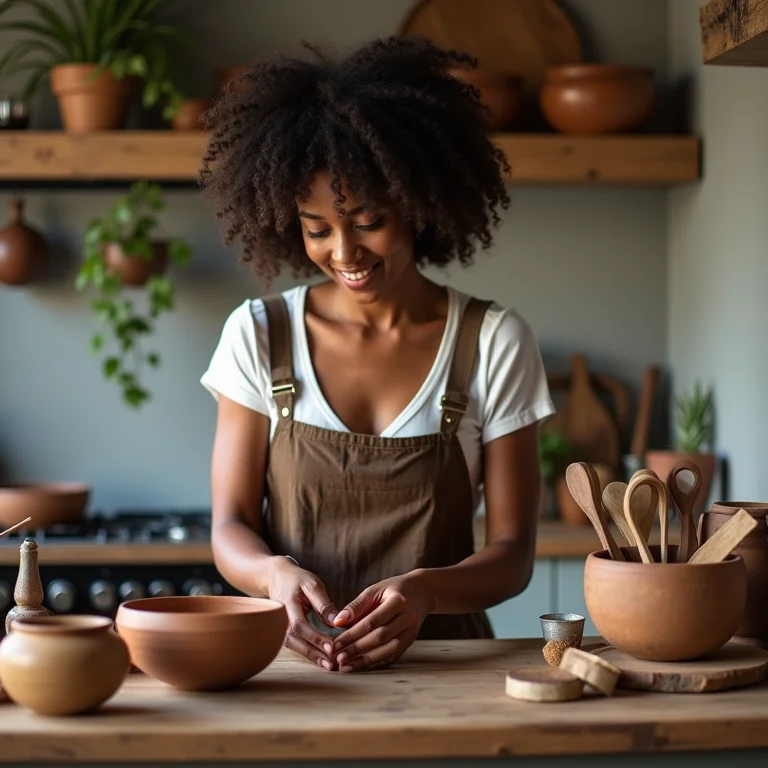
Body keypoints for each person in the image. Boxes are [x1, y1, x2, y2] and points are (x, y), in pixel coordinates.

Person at [198, 36, 555, 674]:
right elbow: (229, 526)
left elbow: (512, 554)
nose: (344, 253)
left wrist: (427, 592)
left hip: (449, 667)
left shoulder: (494, 341)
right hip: (292, 667)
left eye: (368, 222)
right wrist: (273, 577)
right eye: (317, 229)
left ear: (419, 205)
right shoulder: (257, 333)